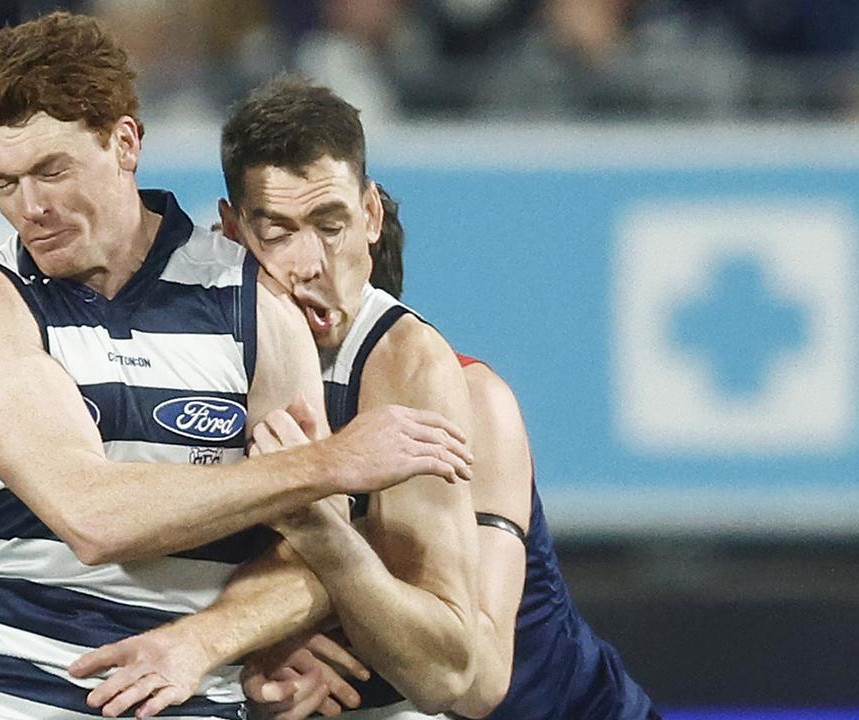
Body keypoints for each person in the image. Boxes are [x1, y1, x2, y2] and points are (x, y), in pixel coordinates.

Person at [0, 15, 474, 720]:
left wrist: (217, 636)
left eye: (51, 171)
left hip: (195, 701)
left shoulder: (253, 304)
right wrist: (330, 462)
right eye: (2, 182)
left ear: (125, 142)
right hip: (15, 698)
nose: (30, 208)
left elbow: (313, 547)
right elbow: (94, 517)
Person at [70, 77, 659, 720]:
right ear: (233, 234)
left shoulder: (463, 395)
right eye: (278, 232)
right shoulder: (204, 373)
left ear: (370, 218)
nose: (310, 263)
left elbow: (478, 679)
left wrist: (311, 536)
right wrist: (260, 651)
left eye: (331, 226)